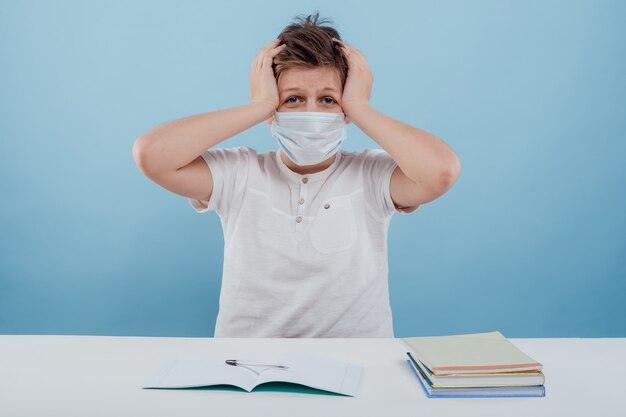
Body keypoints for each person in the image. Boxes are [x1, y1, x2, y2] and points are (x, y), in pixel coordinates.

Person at [132, 12, 461, 338]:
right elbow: (152, 155)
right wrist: (259, 105)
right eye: (293, 99)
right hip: (246, 363)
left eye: (328, 99)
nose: (311, 113)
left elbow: (441, 171)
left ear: (344, 109)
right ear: (274, 108)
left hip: (359, 366)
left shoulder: (373, 175)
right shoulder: (238, 173)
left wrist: (361, 107)